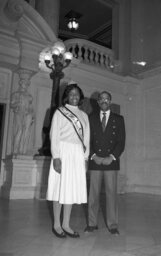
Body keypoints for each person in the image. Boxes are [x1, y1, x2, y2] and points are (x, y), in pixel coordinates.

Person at [46, 83, 90, 238]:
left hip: (77, 154)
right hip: (63, 152)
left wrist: (85, 159)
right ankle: (57, 225)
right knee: (59, 189)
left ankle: (66, 224)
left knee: (69, 189)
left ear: (80, 96)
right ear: (67, 96)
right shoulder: (59, 112)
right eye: (71, 94)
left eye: (77, 94)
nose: (74, 96)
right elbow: (54, 136)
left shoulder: (84, 115)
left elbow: (87, 139)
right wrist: (56, 157)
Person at [85, 91, 125, 235]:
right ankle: (92, 223)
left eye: (107, 99)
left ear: (110, 101)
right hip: (95, 161)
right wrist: (93, 155)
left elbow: (121, 142)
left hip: (111, 162)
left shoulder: (119, 119)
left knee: (111, 194)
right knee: (93, 195)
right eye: (101, 99)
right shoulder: (91, 118)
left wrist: (112, 156)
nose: (104, 101)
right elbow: (86, 140)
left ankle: (113, 225)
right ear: (97, 102)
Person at [11, 78, 34, 155]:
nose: (26, 85)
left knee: (26, 131)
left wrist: (32, 115)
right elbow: (12, 104)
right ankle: (15, 150)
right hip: (19, 113)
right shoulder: (16, 94)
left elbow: (30, 107)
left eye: (27, 84)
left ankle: (23, 150)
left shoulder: (29, 96)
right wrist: (17, 103)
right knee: (20, 130)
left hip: (27, 113)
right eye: (24, 83)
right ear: (21, 84)